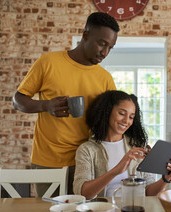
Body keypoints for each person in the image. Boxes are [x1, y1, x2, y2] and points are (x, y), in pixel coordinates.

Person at [12, 12, 120, 197]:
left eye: (110, 47)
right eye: (102, 43)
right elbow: (17, 100)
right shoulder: (48, 62)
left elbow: (111, 121)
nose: (105, 52)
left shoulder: (105, 78)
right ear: (85, 35)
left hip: (87, 161)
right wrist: (46, 106)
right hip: (48, 160)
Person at [73, 90, 171, 199]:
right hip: (104, 211)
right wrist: (115, 171)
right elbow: (83, 194)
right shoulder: (87, 150)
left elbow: (149, 194)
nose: (126, 121)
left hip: (135, 209)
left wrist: (166, 178)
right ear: (107, 112)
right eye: (122, 113)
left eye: (131, 117)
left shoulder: (138, 147)